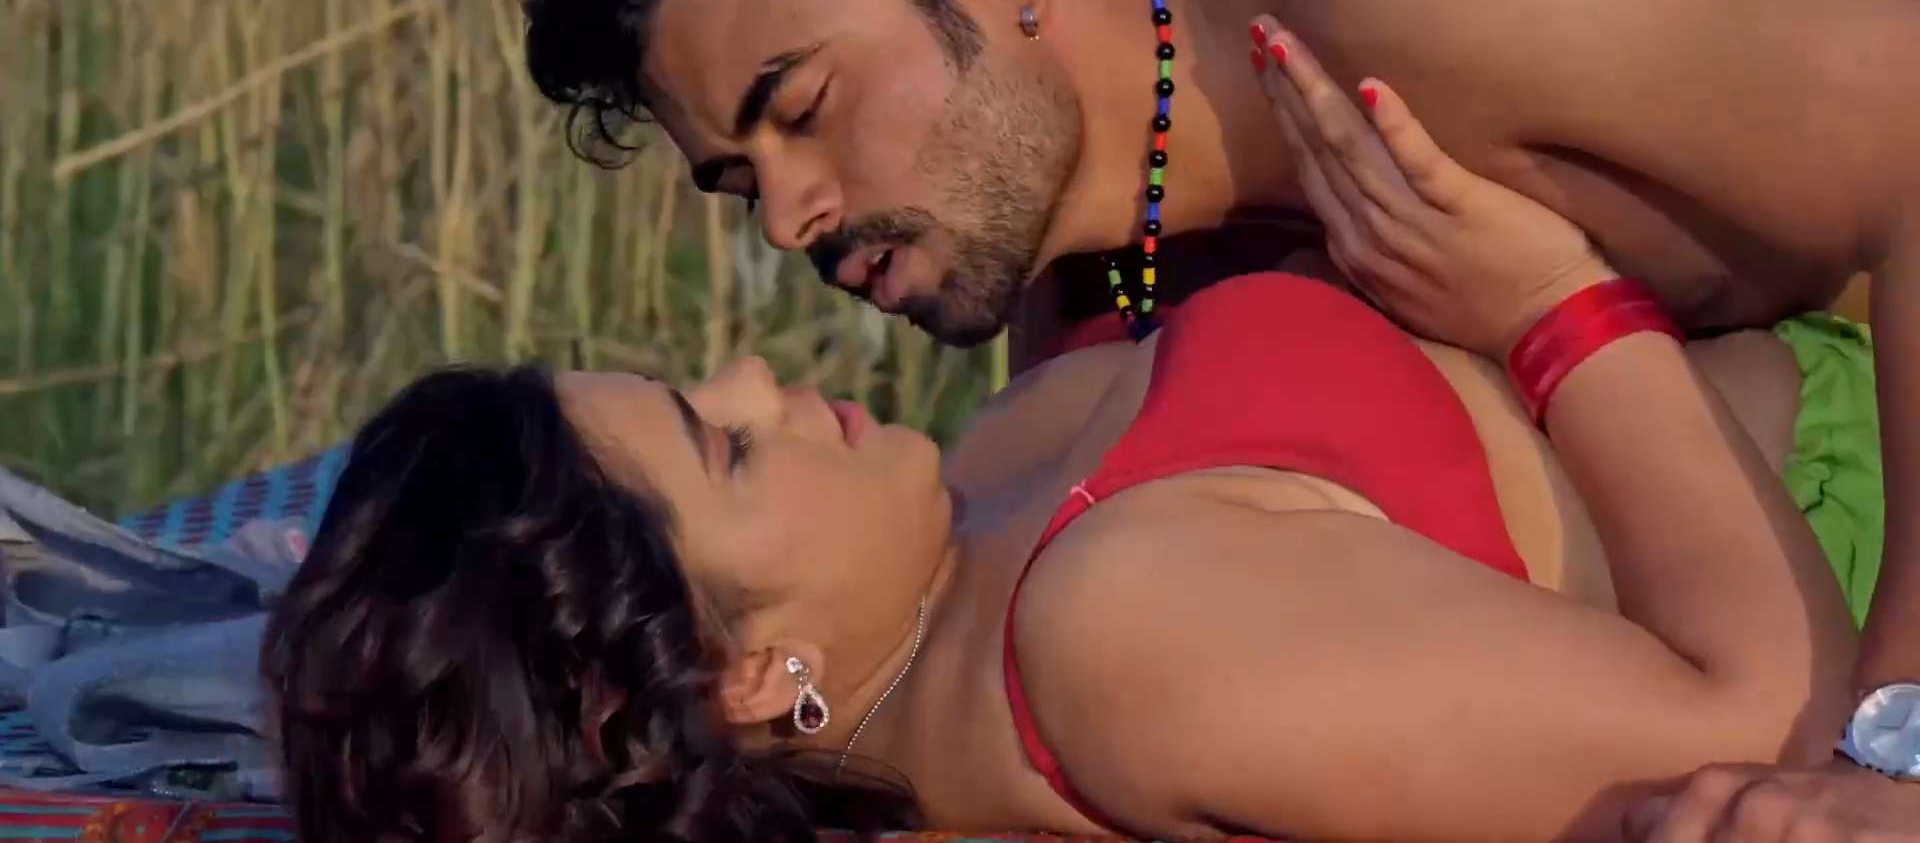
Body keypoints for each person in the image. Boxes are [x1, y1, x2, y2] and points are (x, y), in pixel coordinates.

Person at [522, 0, 1920, 834]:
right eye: (737, 181)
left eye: (802, 109)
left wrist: (1895, 752)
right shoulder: (1103, 276)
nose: (787, 219)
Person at [266, 78, 1879, 840]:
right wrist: (1553, 311)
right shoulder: (1126, 647)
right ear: (750, 677)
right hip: (1863, 544)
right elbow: (1773, 736)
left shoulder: (970, 521)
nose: (763, 378)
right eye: (726, 447)